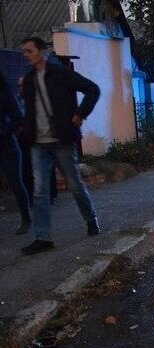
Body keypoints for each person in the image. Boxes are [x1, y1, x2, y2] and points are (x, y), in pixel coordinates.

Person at [19, 36, 101, 255]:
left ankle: (91, 220)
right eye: (24, 52)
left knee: (74, 185)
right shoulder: (29, 80)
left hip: (62, 140)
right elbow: (30, 109)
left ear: (42, 51)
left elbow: (92, 89)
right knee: (40, 191)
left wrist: (80, 114)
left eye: (29, 51)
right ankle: (43, 237)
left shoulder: (60, 73)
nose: (26, 55)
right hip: (39, 143)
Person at [16, 76, 58, 206]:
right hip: (23, 138)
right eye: (19, 86)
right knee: (26, 167)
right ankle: (30, 196)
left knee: (45, 166)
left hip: (39, 136)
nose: (21, 88)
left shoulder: (38, 99)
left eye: (23, 85)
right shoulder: (17, 100)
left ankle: (50, 194)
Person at [0, 72, 31, 235]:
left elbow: (18, 118)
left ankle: (26, 217)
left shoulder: (4, 93)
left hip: (7, 146)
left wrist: (5, 131)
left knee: (16, 182)